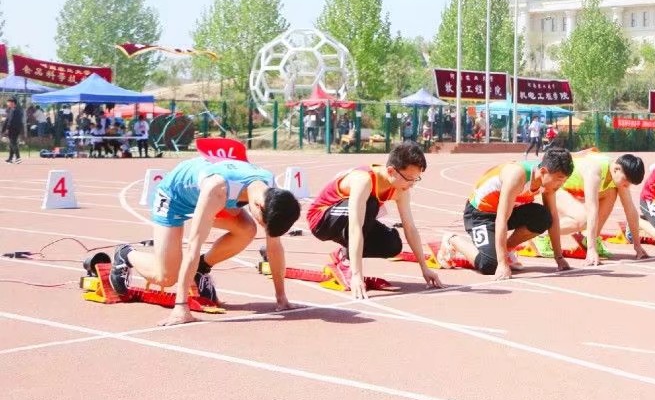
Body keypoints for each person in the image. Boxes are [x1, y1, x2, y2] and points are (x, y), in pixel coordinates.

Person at [109, 156, 301, 326]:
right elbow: (193, 246)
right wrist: (181, 307)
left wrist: (281, 298)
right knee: (167, 277)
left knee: (247, 230)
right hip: (173, 198)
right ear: (258, 206)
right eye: (263, 222)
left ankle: (202, 267)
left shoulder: (271, 192)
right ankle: (126, 254)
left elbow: (274, 246)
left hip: (213, 195)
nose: (264, 228)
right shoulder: (217, 189)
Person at [306, 141, 444, 297]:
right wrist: (357, 275)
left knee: (393, 244)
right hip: (321, 220)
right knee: (370, 204)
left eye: (416, 179)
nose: (412, 185)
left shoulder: (401, 189)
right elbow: (356, 227)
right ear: (391, 171)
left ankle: (343, 254)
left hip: (350, 220)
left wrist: (424, 268)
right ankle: (348, 263)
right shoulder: (364, 180)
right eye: (409, 179)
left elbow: (410, 228)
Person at [438, 147, 574, 280]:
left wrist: (559, 257)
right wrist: (502, 264)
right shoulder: (517, 176)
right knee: (489, 265)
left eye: (564, 180)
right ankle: (452, 240)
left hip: (507, 211)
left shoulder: (548, 183)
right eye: (559, 179)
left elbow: (553, 216)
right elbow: (501, 219)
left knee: (544, 217)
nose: (561, 184)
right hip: (480, 214)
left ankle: (506, 250)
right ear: (543, 171)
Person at [550, 151, 649, 264]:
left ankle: (588, 239)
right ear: (617, 169)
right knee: (583, 219)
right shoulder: (595, 170)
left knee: (611, 192)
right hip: (557, 188)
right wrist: (592, 250)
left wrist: (637, 246)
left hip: (578, 190)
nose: (627, 185)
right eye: (626, 180)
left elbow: (630, 209)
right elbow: (591, 209)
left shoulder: (619, 175)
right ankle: (543, 235)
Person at [3, 97, 23, 164]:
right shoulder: (11, 110)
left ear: (13, 103)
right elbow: (7, 120)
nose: (7, 103)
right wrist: (3, 129)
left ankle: (18, 158)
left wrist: (7, 129)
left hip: (14, 129)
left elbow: (11, 121)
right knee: (11, 144)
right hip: (13, 129)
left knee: (13, 143)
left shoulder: (16, 110)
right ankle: (10, 158)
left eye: (9, 102)